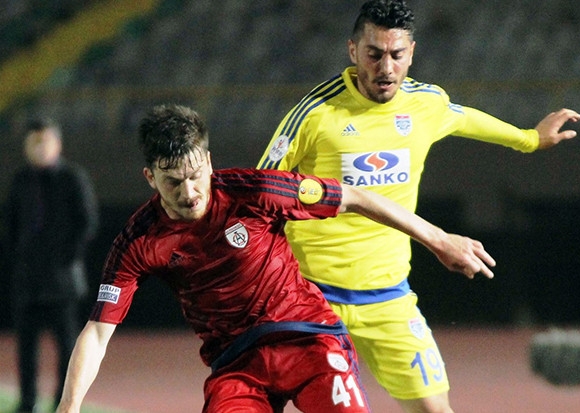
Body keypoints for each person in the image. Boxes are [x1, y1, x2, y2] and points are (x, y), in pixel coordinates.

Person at [55, 104, 495, 413]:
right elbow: (98, 332)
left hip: (308, 340)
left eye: (195, 175)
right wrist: (68, 407)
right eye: (172, 181)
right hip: (237, 368)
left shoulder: (257, 191)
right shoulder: (138, 240)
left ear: (208, 160)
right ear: (150, 177)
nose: (189, 192)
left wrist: (439, 239)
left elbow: (356, 197)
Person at [256, 1, 580, 412]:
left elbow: (466, 120)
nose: (386, 67)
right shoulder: (314, 114)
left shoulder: (426, 105)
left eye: (397, 54)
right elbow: (257, 190)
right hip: (309, 297)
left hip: (388, 297)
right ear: (353, 51)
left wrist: (529, 139)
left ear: (411, 53)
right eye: (374, 54)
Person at [4, 117, 98, 413]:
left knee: (68, 346)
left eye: (45, 141)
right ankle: (27, 402)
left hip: (62, 280)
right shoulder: (21, 180)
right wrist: (19, 258)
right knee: (26, 348)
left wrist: (67, 258)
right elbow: (10, 224)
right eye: (34, 142)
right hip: (28, 279)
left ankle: (63, 402)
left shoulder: (73, 178)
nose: (40, 148)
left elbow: (87, 222)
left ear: (57, 144)